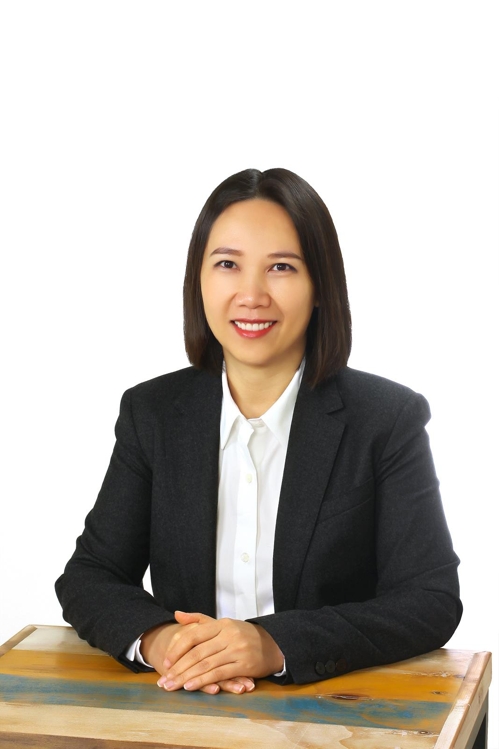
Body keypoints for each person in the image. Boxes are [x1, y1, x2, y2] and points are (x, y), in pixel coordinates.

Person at [55, 167, 462, 696]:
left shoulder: (386, 419)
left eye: (281, 267)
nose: (251, 295)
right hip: (184, 705)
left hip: (334, 711)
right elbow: (90, 575)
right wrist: (162, 641)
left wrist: (275, 644)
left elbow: (429, 599)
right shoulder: (152, 413)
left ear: (320, 287)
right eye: (227, 264)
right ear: (199, 280)